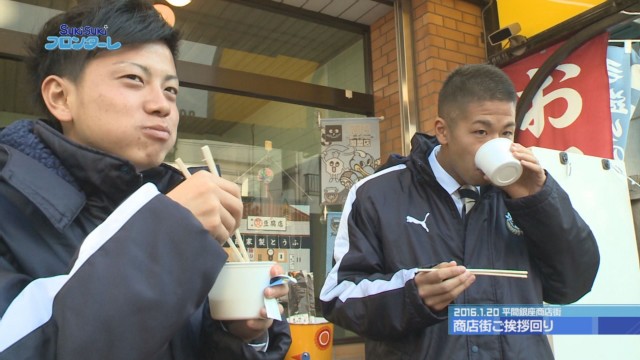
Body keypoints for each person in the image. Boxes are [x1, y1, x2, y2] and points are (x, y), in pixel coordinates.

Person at [0, 1, 290, 359]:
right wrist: (167, 233)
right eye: (134, 79)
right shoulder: (9, 205)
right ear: (61, 97)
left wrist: (238, 332)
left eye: (171, 90)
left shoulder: (171, 199)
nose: (162, 105)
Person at [320, 64, 600, 359]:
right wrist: (411, 296)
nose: (497, 145)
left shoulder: (527, 192)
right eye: (481, 132)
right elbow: (338, 297)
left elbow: (574, 285)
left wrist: (539, 201)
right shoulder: (377, 193)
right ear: (443, 131)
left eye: (506, 132)